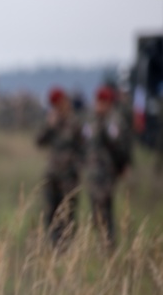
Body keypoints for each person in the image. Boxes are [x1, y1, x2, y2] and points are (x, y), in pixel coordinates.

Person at [35, 87, 84, 247]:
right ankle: (53, 245)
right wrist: (50, 125)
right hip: (53, 175)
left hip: (69, 177)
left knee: (68, 214)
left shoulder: (75, 123)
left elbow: (84, 148)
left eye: (59, 104)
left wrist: (77, 167)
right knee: (52, 213)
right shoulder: (52, 122)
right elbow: (39, 142)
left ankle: (67, 247)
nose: (58, 108)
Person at [84, 84, 132, 248]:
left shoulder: (114, 121)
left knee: (105, 208)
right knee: (95, 210)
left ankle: (109, 245)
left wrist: (123, 166)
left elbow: (119, 145)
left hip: (107, 173)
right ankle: (102, 244)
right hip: (93, 172)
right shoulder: (91, 119)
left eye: (103, 102)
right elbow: (85, 141)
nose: (99, 105)